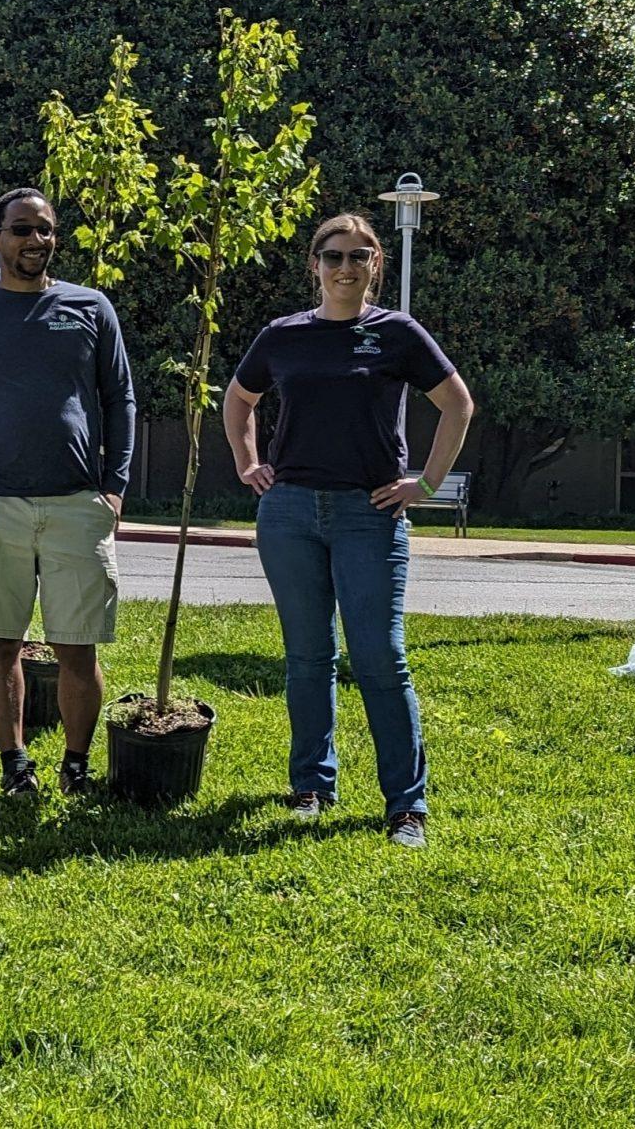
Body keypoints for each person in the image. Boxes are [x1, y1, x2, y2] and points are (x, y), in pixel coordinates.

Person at [222, 212, 474, 849]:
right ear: (315, 265)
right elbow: (238, 399)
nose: (345, 267)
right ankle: (311, 785)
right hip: (289, 513)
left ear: (374, 266)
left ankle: (406, 806)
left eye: (359, 257)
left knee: (380, 658)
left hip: (371, 515)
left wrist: (428, 482)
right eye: (333, 256)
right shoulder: (283, 335)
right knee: (308, 657)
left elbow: (457, 404)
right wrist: (248, 462)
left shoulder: (396, 333)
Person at [0, 188, 135, 798]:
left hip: (78, 504)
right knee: (0, 641)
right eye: (21, 230)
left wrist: (115, 488)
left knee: (78, 647)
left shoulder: (90, 308)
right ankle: (14, 763)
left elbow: (120, 399)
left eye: (44, 230)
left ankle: (75, 764)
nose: (35, 241)